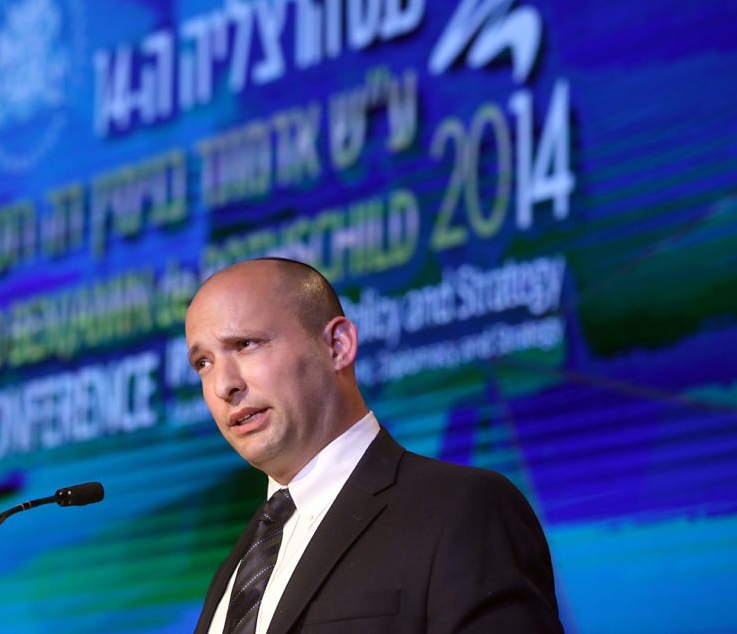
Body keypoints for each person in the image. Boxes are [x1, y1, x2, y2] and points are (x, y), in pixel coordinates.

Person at [185, 258, 563, 634]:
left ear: (337, 345)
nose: (223, 385)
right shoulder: (240, 564)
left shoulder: (462, 509)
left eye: (246, 344)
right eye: (203, 363)